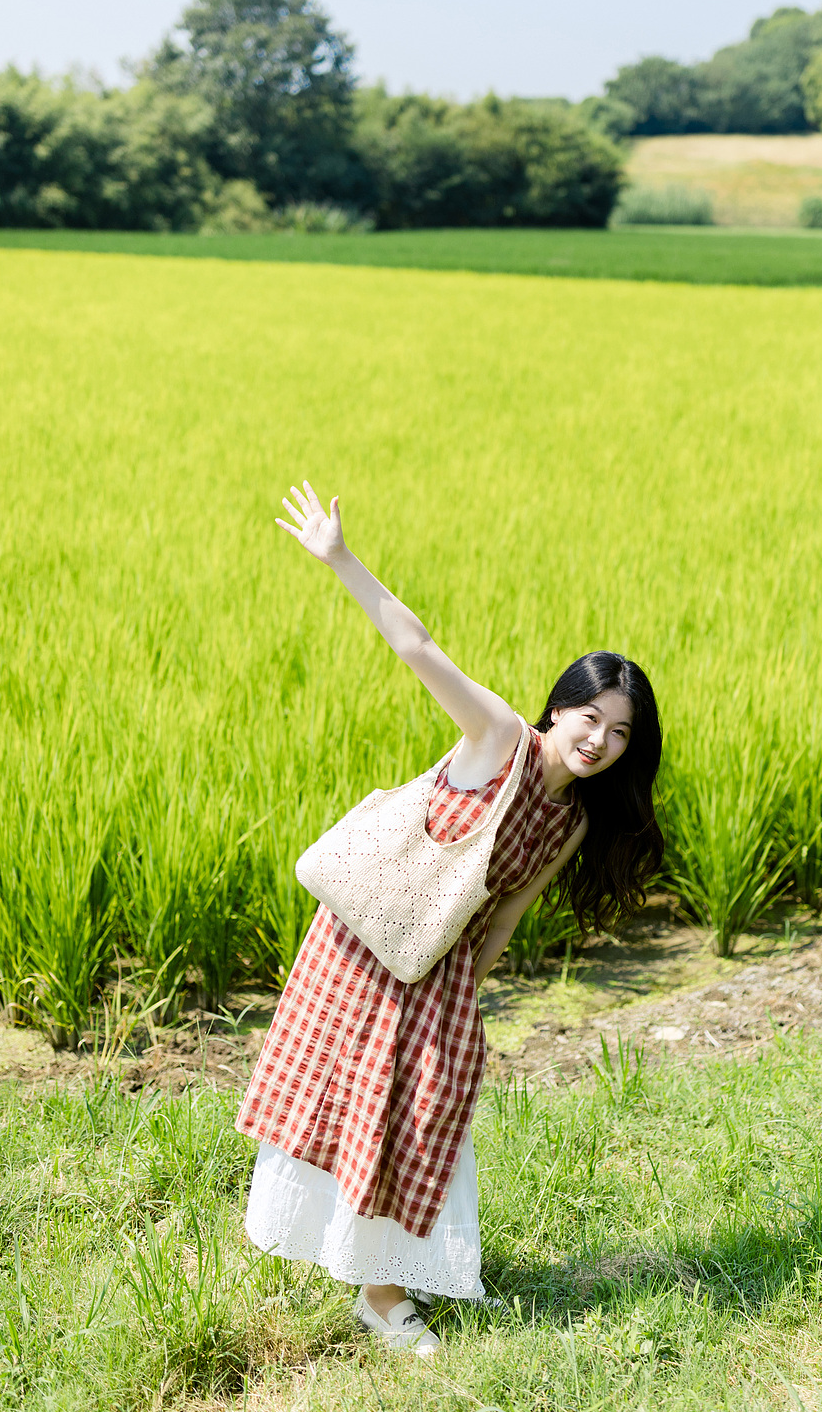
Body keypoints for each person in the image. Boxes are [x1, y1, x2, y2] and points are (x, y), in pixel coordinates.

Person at [237, 480, 664, 1356]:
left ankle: (382, 1281)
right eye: (590, 719)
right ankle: (383, 1295)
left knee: (425, 1109)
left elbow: (506, 913)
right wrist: (338, 558)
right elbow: (417, 645)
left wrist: (462, 999)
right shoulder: (501, 737)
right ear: (558, 709)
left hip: (436, 966)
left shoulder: (574, 818)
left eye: (620, 735)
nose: (599, 743)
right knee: (358, 1106)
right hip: (368, 941)